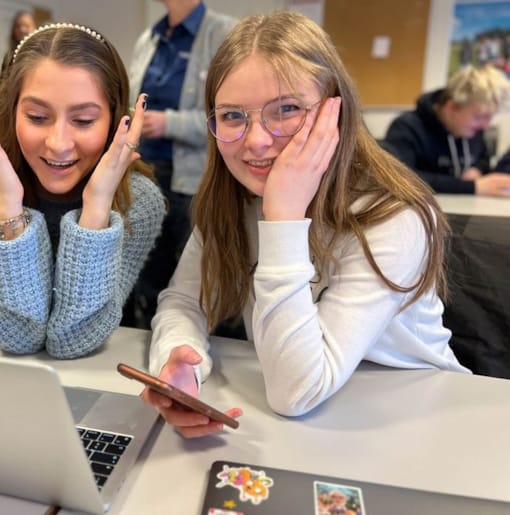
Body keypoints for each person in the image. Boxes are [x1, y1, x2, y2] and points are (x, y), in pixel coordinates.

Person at [141, 11, 470, 436]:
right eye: (233, 116)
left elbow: (296, 393)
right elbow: (185, 301)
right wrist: (180, 361)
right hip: (319, 427)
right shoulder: (235, 201)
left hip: (420, 421)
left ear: (336, 110)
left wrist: (283, 218)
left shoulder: (395, 217)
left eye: (287, 109)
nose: (256, 140)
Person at [0, 23, 166, 359]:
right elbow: (17, 338)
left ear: (114, 120)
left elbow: (74, 339)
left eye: (83, 121)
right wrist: (7, 206)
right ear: (11, 112)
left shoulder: (137, 200)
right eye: (38, 117)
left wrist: (96, 207)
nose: (58, 144)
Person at [123, 0, 236, 329]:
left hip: (194, 183)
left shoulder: (223, 34)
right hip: (145, 175)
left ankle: (189, 354)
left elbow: (234, 118)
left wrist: (169, 124)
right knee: (147, 274)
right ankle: (150, 347)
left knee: (196, 283)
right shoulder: (150, 38)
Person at [383, 65, 510, 197]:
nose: (486, 125)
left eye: (490, 117)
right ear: (452, 107)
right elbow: (400, 177)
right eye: (479, 117)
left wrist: (477, 169)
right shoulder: (406, 127)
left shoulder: (473, 130)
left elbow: (483, 157)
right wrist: (472, 187)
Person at [0, 10, 37, 82]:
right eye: (18, 26)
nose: (22, 30)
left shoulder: (42, 51)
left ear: (34, 27)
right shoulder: (9, 56)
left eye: (26, 25)